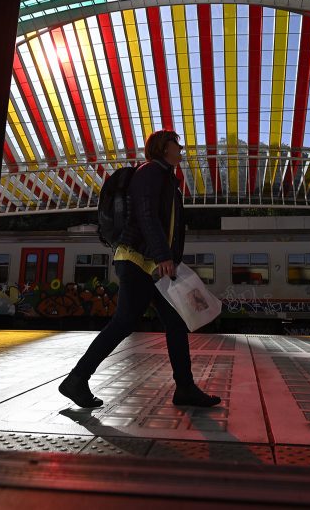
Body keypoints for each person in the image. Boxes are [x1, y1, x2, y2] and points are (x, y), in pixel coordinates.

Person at [59, 130, 221, 409]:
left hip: (150, 264)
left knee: (175, 322)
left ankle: (185, 388)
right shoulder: (149, 173)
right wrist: (162, 255)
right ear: (163, 147)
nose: (181, 149)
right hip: (138, 260)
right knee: (124, 322)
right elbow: (146, 214)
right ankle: (76, 379)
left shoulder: (167, 179)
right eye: (176, 144)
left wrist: (168, 257)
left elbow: (165, 224)